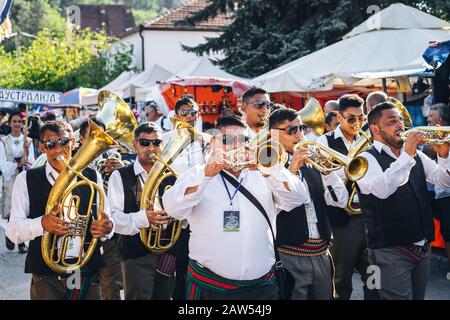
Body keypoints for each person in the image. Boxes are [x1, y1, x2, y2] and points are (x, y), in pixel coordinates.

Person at [162, 116, 308, 300]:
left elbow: (297, 198)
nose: (236, 145)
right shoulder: (197, 172)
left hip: (263, 286)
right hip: (210, 287)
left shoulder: (265, 172)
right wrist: (206, 176)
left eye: (244, 140)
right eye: (227, 140)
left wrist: (271, 172)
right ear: (213, 143)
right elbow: (173, 209)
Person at [5, 120, 114, 300]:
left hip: (85, 271)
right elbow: (13, 231)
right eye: (50, 144)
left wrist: (107, 228)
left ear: (73, 142)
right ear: (42, 148)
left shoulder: (92, 176)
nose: (58, 150)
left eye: (63, 142)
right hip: (47, 278)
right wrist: (41, 223)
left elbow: (107, 218)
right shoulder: (26, 179)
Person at [357, 102, 450, 299]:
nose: (400, 124)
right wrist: (407, 155)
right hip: (389, 250)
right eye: (392, 121)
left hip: (422, 246)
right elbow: (382, 190)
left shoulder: (416, 154)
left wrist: (444, 156)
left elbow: (443, 181)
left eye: (400, 119)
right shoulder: (366, 159)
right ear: (376, 129)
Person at [269, 108, 348, 300]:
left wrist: (328, 171)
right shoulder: (270, 165)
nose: (299, 134)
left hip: (321, 252)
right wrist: (292, 169)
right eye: (291, 130)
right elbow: (282, 203)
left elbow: (341, 200)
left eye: (301, 128)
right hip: (290, 254)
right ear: (273, 134)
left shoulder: (314, 163)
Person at [316, 93, 376, 300]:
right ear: (339, 118)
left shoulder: (370, 141)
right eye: (351, 118)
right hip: (343, 221)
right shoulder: (324, 141)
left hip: (369, 217)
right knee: (341, 279)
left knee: (373, 275)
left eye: (361, 118)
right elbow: (323, 181)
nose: (357, 123)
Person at [108, 122, 175, 300]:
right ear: (134, 144)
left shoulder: (171, 174)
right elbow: (114, 219)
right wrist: (144, 217)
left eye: (157, 143)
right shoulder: (120, 175)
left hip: (167, 252)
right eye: (145, 143)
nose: (151, 147)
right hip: (135, 255)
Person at [161, 97, 211, 300]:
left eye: (194, 112)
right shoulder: (164, 139)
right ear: (175, 116)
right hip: (176, 217)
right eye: (184, 112)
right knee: (177, 269)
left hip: (204, 214)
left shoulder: (207, 140)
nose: (190, 116)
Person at [77, 117, 124, 300]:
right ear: (81, 140)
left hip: (107, 234)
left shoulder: (113, 160)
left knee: (111, 288)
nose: (99, 142)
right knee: (81, 287)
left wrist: (121, 171)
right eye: (92, 137)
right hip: (80, 235)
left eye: (103, 137)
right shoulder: (71, 163)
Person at [1, 111, 35, 254]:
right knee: (11, 210)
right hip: (10, 179)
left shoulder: (28, 141)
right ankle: (10, 235)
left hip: (24, 178)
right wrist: (16, 164)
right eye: (14, 121)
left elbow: (32, 161)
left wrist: (26, 158)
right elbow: (2, 163)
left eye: (19, 122)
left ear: (23, 124)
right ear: (10, 123)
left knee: (22, 209)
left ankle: (20, 242)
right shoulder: (3, 141)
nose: (17, 124)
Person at [425, 103, 450, 281]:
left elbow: (427, 151)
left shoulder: (439, 135)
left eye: (431, 117)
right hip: (443, 191)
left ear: (439, 120)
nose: (428, 119)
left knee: (448, 233)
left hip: (445, 193)